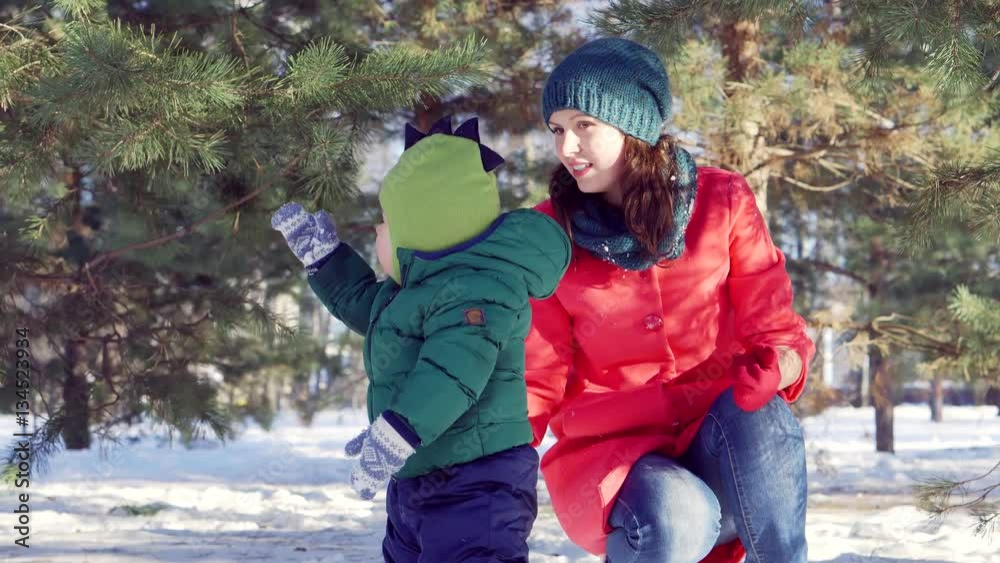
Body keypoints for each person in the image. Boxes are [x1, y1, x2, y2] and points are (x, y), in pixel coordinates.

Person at [525, 37, 816, 563]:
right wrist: (491, 461)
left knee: (765, 417)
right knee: (680, 510)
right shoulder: (549, 234)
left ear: (632, 122)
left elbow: (777, 329)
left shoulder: (722, 201)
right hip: (615, 463)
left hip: (717, 441)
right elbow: (535, 377)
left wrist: (781, 364)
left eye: (583, 125)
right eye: (557, 130)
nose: (566, 148)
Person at [271, 116, 571, 562]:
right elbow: (364, 307)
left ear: (428, 227)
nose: (376, 231)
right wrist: (326, 260)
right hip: (418, 475)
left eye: (386, 222)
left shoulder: (480, 289)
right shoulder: (413, 291)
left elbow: (453, 371)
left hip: (477, 481)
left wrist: (398, 431)